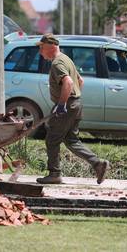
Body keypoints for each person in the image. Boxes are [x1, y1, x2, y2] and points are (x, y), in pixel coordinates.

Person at [35, 33, 109, 184]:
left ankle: (54, 174)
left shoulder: (57, 63)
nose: (40, 51)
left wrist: (62, 104)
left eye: (41, 48)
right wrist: (73, 100)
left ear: (51, 46)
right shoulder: (66, 59)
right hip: (75, 104)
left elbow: (69, 83)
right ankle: (98, 164)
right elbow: (80, 81)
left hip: (68, 105)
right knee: (71, 140)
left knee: (52, 140)